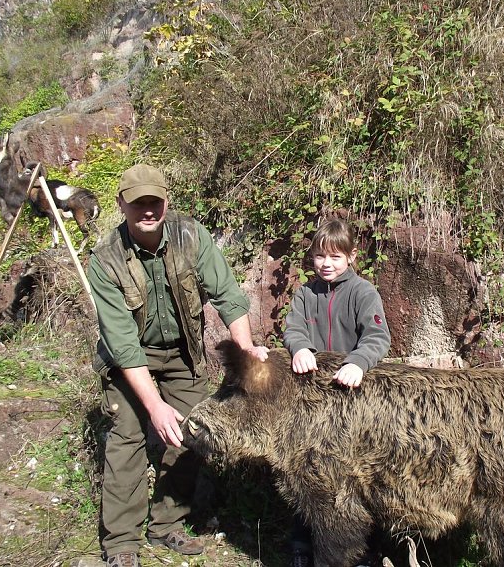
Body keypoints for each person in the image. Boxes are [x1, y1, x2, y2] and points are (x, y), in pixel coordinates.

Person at [87, 163, 269, 567]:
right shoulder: (105, 259)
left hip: (182, 353)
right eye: (138, 204)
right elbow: (122, 343)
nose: (147, 210)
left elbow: (227, 295)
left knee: (189, 433)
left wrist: (244, 352)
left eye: (154, 201)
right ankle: (120, 543)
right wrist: (153, 407)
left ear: (166, 201)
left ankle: (167, 522)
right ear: (122, 205)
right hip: (128, 359)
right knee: (127, 440)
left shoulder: (191, 235)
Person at [282, 217, 391, 567]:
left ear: (351, 257)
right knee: (304, 471)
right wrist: (299, 349)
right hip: (311, 400)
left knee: (357, 476)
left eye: (335, 257)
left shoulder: (363, 292)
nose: (326, 264)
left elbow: (377, 338)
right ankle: (302, 544)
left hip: (352, 397)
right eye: (319, 257)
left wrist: (358, 362)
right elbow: (294, 329)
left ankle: (362, 550)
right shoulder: (305, 293)